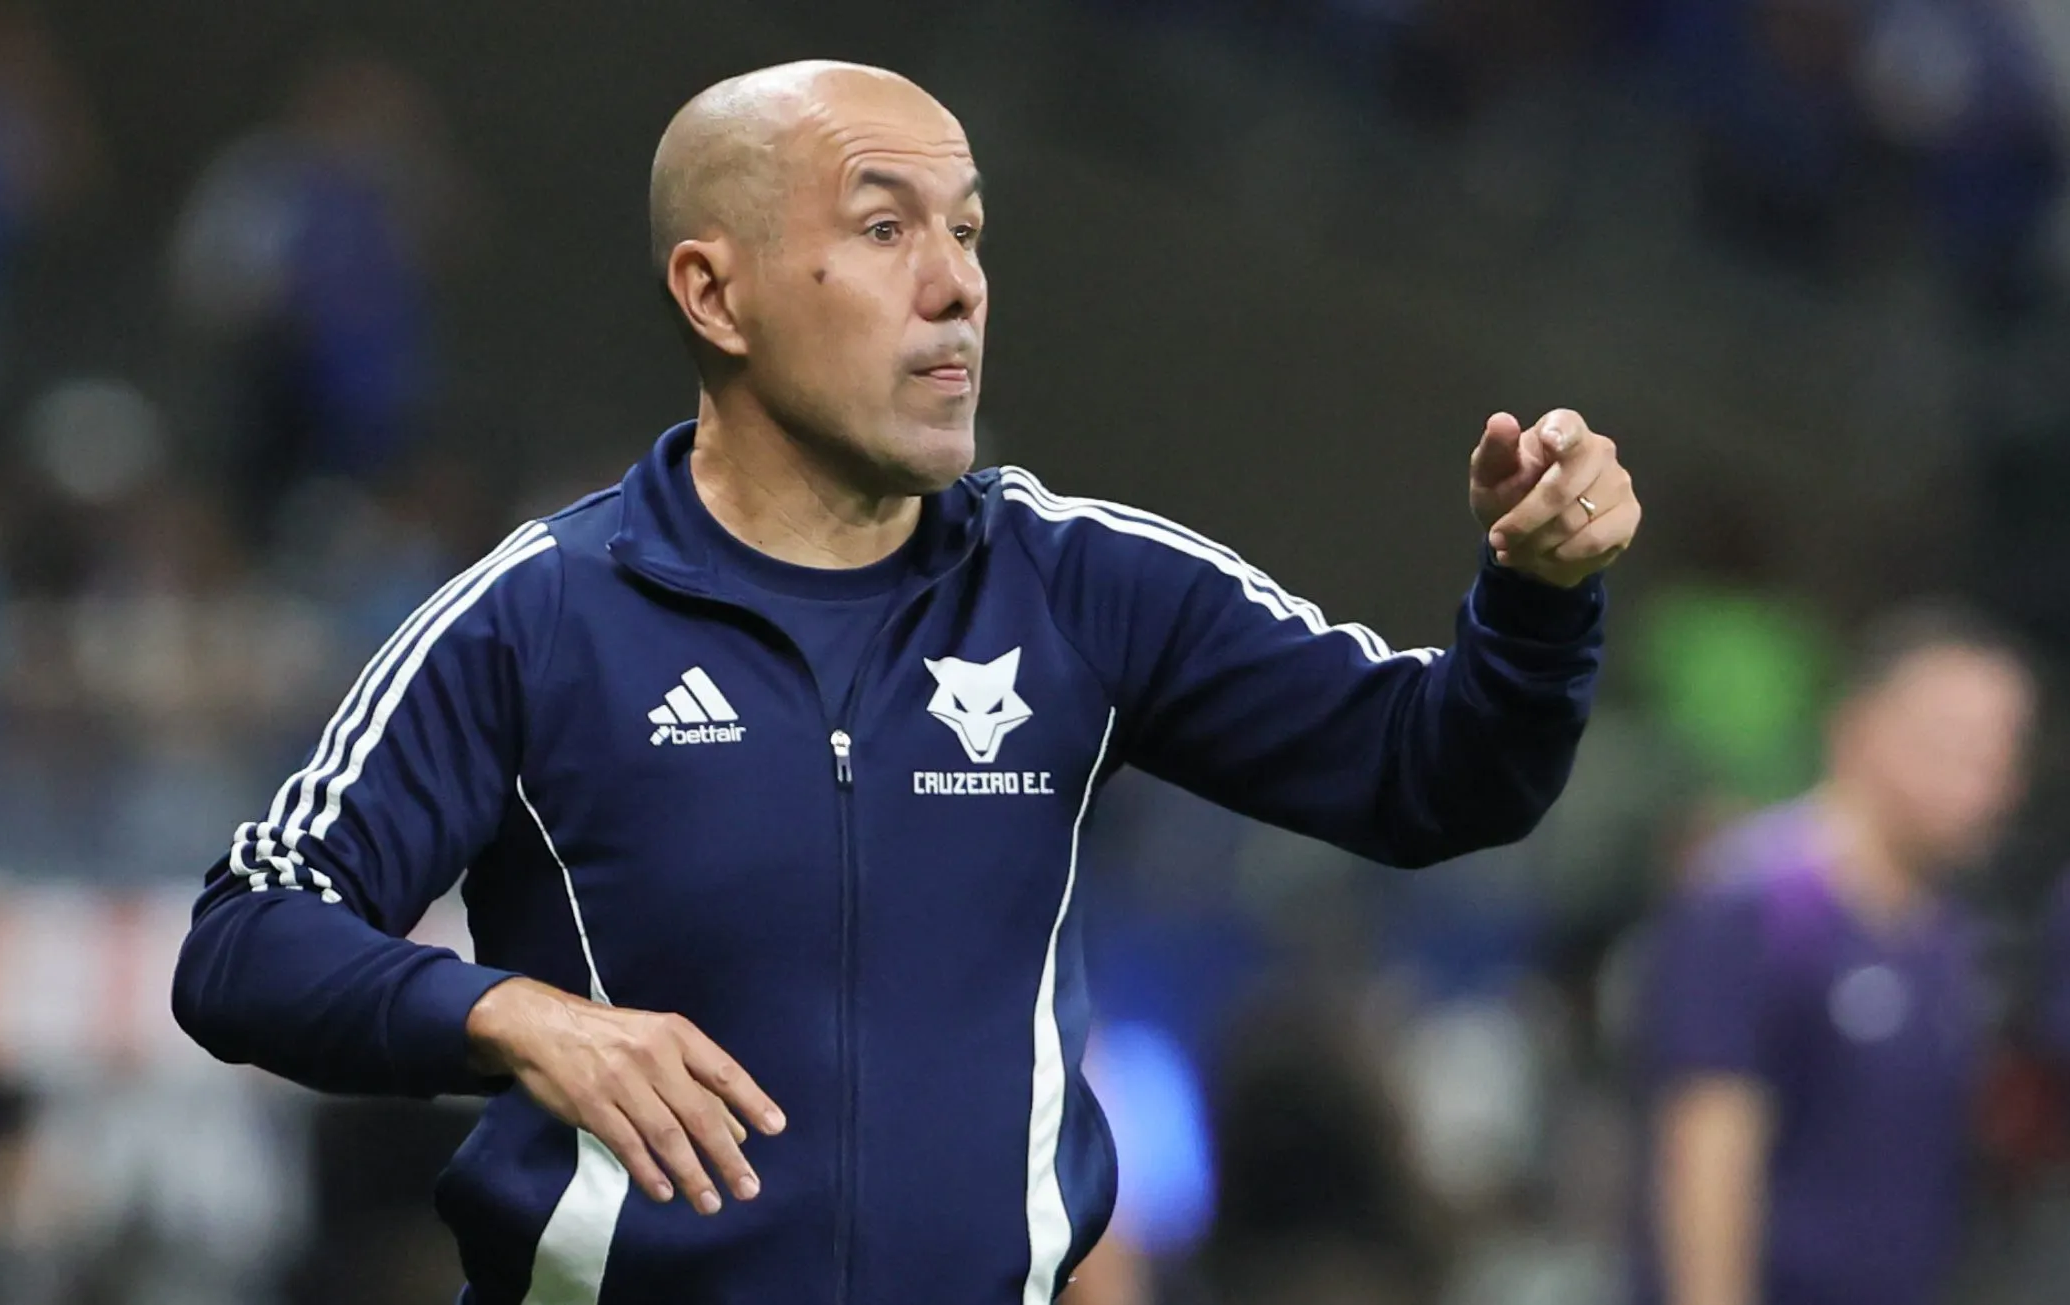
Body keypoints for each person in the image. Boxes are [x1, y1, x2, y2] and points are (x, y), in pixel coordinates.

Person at [171, 60, 1639, 1304]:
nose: (957, 286)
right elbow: (246, 938)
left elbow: (1436, 776)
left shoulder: (1079, 582)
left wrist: (1536, 599)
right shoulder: (539, 619)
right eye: (885, 229)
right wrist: (513, 1016)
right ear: (715, 293)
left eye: (970, 232)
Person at [1633, 605, 2037, 1305]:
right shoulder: (1752, 906)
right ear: (1858, 727)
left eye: (2004, 752)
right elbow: (1707, 1154)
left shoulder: (1949, 933)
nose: (1987, 782)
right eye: (1958, 744)